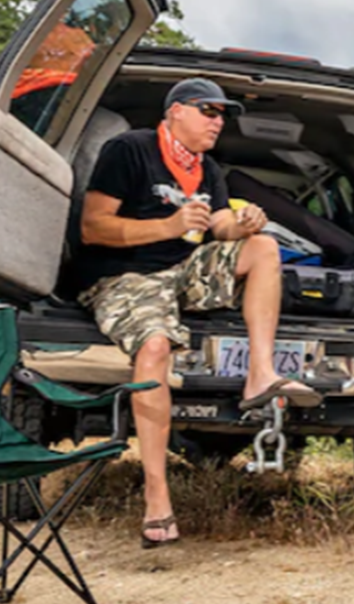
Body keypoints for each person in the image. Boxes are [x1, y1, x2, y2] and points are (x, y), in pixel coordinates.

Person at [72, 77, 320, 548]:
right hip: (124, 276)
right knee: (154, 347)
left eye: (222, 114)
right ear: (176, 112)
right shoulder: (130, 149)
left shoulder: (208, 170)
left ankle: (261, 374)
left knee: (264, 249)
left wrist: (241, 223)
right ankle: (157, 494)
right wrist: (167, 224)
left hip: (182, 271)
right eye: (209, 111)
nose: (218, 121)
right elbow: (93, 228)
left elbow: (220, 222)